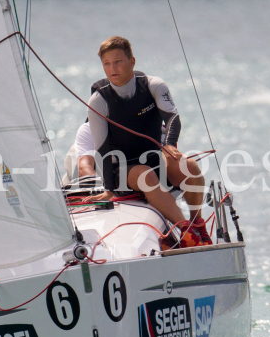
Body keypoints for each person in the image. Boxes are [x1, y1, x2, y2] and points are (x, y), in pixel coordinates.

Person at [86, 36, 211, 248]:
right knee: (145, 174)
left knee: (189, 165)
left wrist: (170, 144)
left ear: (132, 62)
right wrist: (108, 188)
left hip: (154, 158)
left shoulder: (154, 85)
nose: (112, 68)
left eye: (118, 61)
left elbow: (172, 118)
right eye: (106, 64)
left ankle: (197, 223)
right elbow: (101, 148)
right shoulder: (99, 100)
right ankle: (185, 231)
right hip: (121, 170)